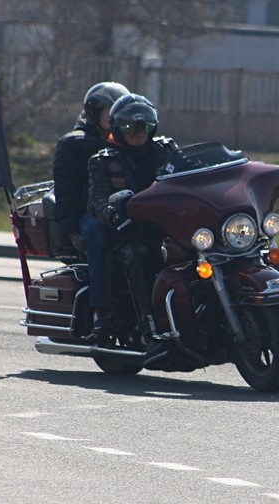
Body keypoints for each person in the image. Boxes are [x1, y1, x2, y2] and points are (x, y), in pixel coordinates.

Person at [88, 93, 179, 351]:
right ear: (118, 128)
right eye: (131, 127)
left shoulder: (165, 150)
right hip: (129, 231)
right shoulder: (104, 160)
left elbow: (189, 175)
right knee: (137, 255)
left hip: (167, 225)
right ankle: (150, 330)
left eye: (145, 126)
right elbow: (97, 200)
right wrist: (114, 212)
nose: (139, 133)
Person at [52, 81, 130, 336]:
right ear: (95, 112)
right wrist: (71, 230)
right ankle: (100, 310)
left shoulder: (128, 141)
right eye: (111, 110)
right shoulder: (75, 143)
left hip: (122, 210)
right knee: (98, 233)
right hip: (88, 214)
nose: (116, 116)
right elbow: (66, 192)